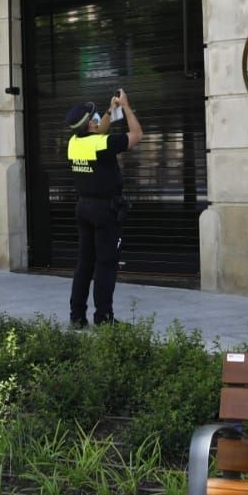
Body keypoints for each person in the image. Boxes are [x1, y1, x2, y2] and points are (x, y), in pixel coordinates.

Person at [65, 86, 142, 328]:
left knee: (84, 264)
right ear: (90, 124)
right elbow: (137, 135)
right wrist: (126, 107)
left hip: (84, 209)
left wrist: (111, 110)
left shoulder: (74, 143)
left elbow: (98, 133)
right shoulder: (102, 144)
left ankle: (77, 316)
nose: (98, 117)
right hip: (105, 212)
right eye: (95, 115)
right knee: (105, 265)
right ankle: (104, 318)